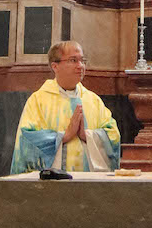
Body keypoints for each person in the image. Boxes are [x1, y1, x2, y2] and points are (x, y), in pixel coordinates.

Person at [10, 42, 121, 173]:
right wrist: (64, 136)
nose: (80, 66)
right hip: (51, 186)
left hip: (88, 183)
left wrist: (88, 136)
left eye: (82, 60)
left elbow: (113, 135)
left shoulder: (93, 100)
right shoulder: (38, 100)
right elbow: (27, 139)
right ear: (55, 66)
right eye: (73, 60)